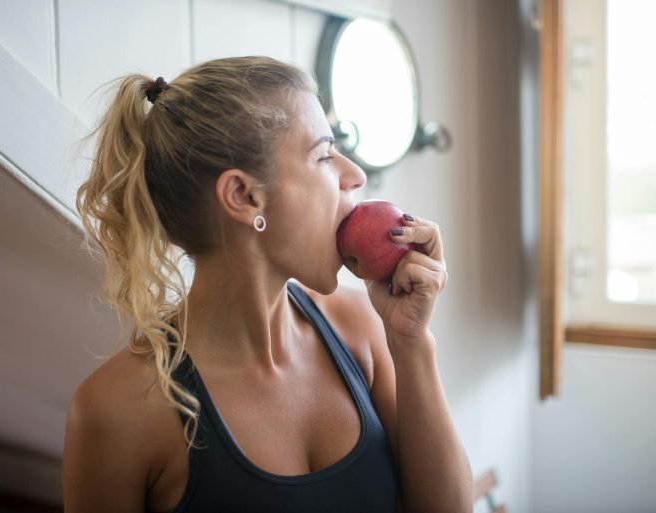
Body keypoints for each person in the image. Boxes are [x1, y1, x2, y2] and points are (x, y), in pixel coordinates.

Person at [62, 56, 471, 513]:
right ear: (243, 197)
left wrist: (411, 341)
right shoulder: (116, 413)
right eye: (323, 154)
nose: (354, 175)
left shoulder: (360, 329)